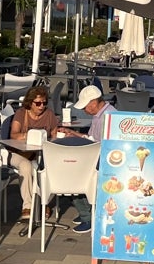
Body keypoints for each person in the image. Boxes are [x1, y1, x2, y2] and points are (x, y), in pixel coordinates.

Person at [8, 85, 59, 221]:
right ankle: (28, 206)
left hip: (40, 153)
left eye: (44, 103)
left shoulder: (49, 115)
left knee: (48, 167)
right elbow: (13, 134)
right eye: (38, 103)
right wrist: (31, 136)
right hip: (20, 152)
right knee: (26, 166)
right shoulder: (21, 113)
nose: (41, 106)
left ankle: (44, 202)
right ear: (30, 103)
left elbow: (54, 135)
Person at [69, 84, 111, 233]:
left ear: (93, 103)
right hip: (97, 156)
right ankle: (86, 211)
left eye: (85, 107)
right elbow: (93, 138)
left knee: (69, 172)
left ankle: (87, 214)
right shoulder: (101, 115)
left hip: (101, 160)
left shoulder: (106, 118)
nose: (84, 111)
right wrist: (74, 134)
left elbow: (98, 144)